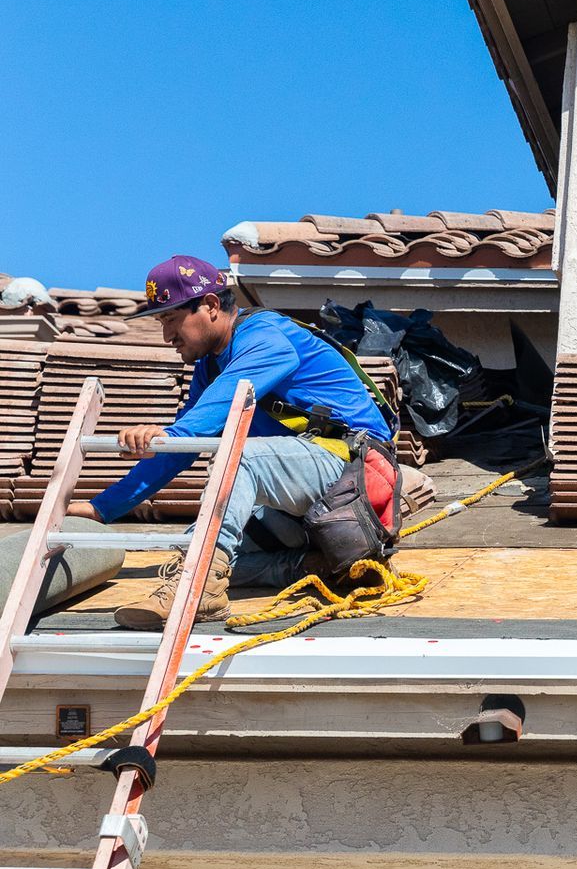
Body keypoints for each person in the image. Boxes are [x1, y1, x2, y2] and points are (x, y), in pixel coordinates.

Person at [68, 256, 394, 626]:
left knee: (239, 462)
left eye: (171, 320)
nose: (166, 336)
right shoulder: (210, 366)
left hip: (354, 471)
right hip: (305, 494)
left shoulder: (265, 337)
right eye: (161, 322)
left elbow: (207, 418)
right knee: (192, 547)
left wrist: (171, 434)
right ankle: (309, 566)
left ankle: (201, 587)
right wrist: (102, 508)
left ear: (209, 306)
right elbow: (180, 451)